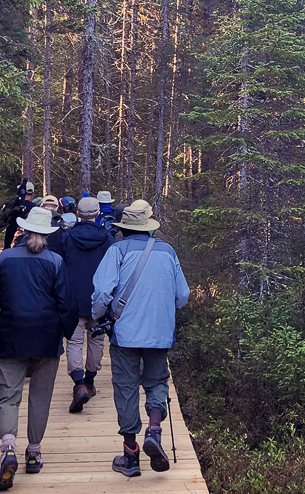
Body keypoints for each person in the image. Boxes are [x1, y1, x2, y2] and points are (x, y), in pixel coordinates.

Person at [0, 207, 78, 491]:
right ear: (48, 232)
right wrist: (66, 334)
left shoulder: (5, 259)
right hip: (46, 339)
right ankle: (33, 453)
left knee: (8, 398)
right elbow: (67, 305)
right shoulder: (55, 261)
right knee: (40, 398)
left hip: (11, 337)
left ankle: (8, 447)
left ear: (23, 230)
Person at [91, 199, 190, 478]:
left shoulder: (116, 251)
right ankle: (154, 432)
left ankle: (130, 456)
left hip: (125, 335)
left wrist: (97, 316)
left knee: (126, 388)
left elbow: (101, 293)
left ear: (124, 228)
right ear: (148, 228)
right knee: (157, 381)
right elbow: (183, 296)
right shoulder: (168, 252)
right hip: (160, 334)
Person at [54, 196, 113, 413]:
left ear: (78, 214)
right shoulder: (107, 239)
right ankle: (90, 380)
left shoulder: (67, 238)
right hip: (98, 298)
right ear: (97, 214)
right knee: (96, 341)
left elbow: (60, 266)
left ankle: (79, 384)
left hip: (73, 298)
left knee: (75, 341)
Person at [0, 180, 35, 250]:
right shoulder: (35, 209)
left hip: (9, 249)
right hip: (30, 249)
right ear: (32, 193)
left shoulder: (10, 206)